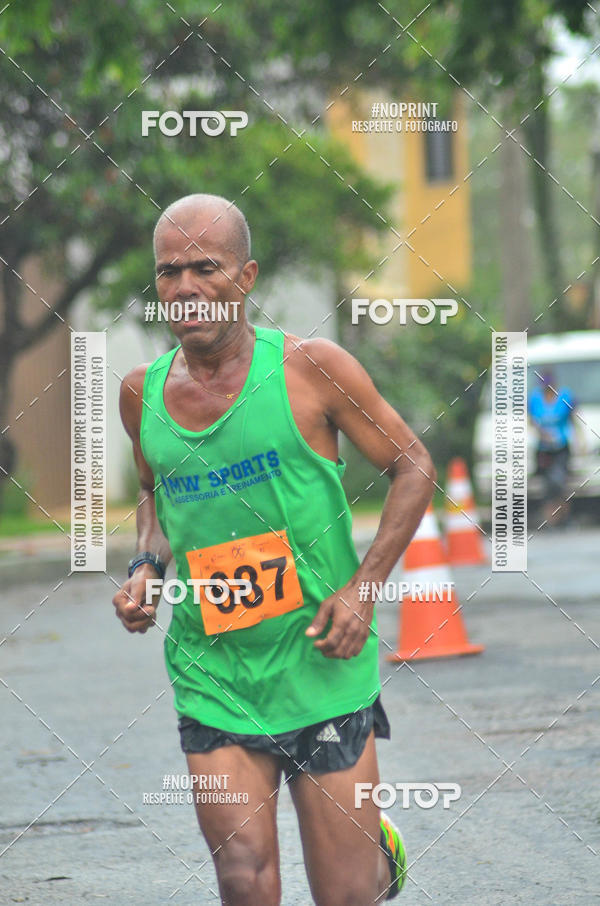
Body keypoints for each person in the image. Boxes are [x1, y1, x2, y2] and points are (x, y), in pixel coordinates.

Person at [112, 193, 435, 905]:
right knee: (244, 879)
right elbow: (153, 496)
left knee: (345, 895)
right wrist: (145, 566)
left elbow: (415, 466)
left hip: (321, 661)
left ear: (247, 276)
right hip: (214, 672)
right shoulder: (141, 394)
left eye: (206, 267)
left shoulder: (311, 369)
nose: (187, 287)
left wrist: (364, 587)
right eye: (170, 272)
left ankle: (378, 854)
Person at [528, 371, 575, 527]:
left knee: (560, 482)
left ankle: (564, 516)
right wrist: (542, 433)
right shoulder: (535, 399)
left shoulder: (565, 396)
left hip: (561, 446)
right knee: (547, 484)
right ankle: (550, 519)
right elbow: (531, 420)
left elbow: (573, 417)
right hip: (544, 449)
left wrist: (580, 440)